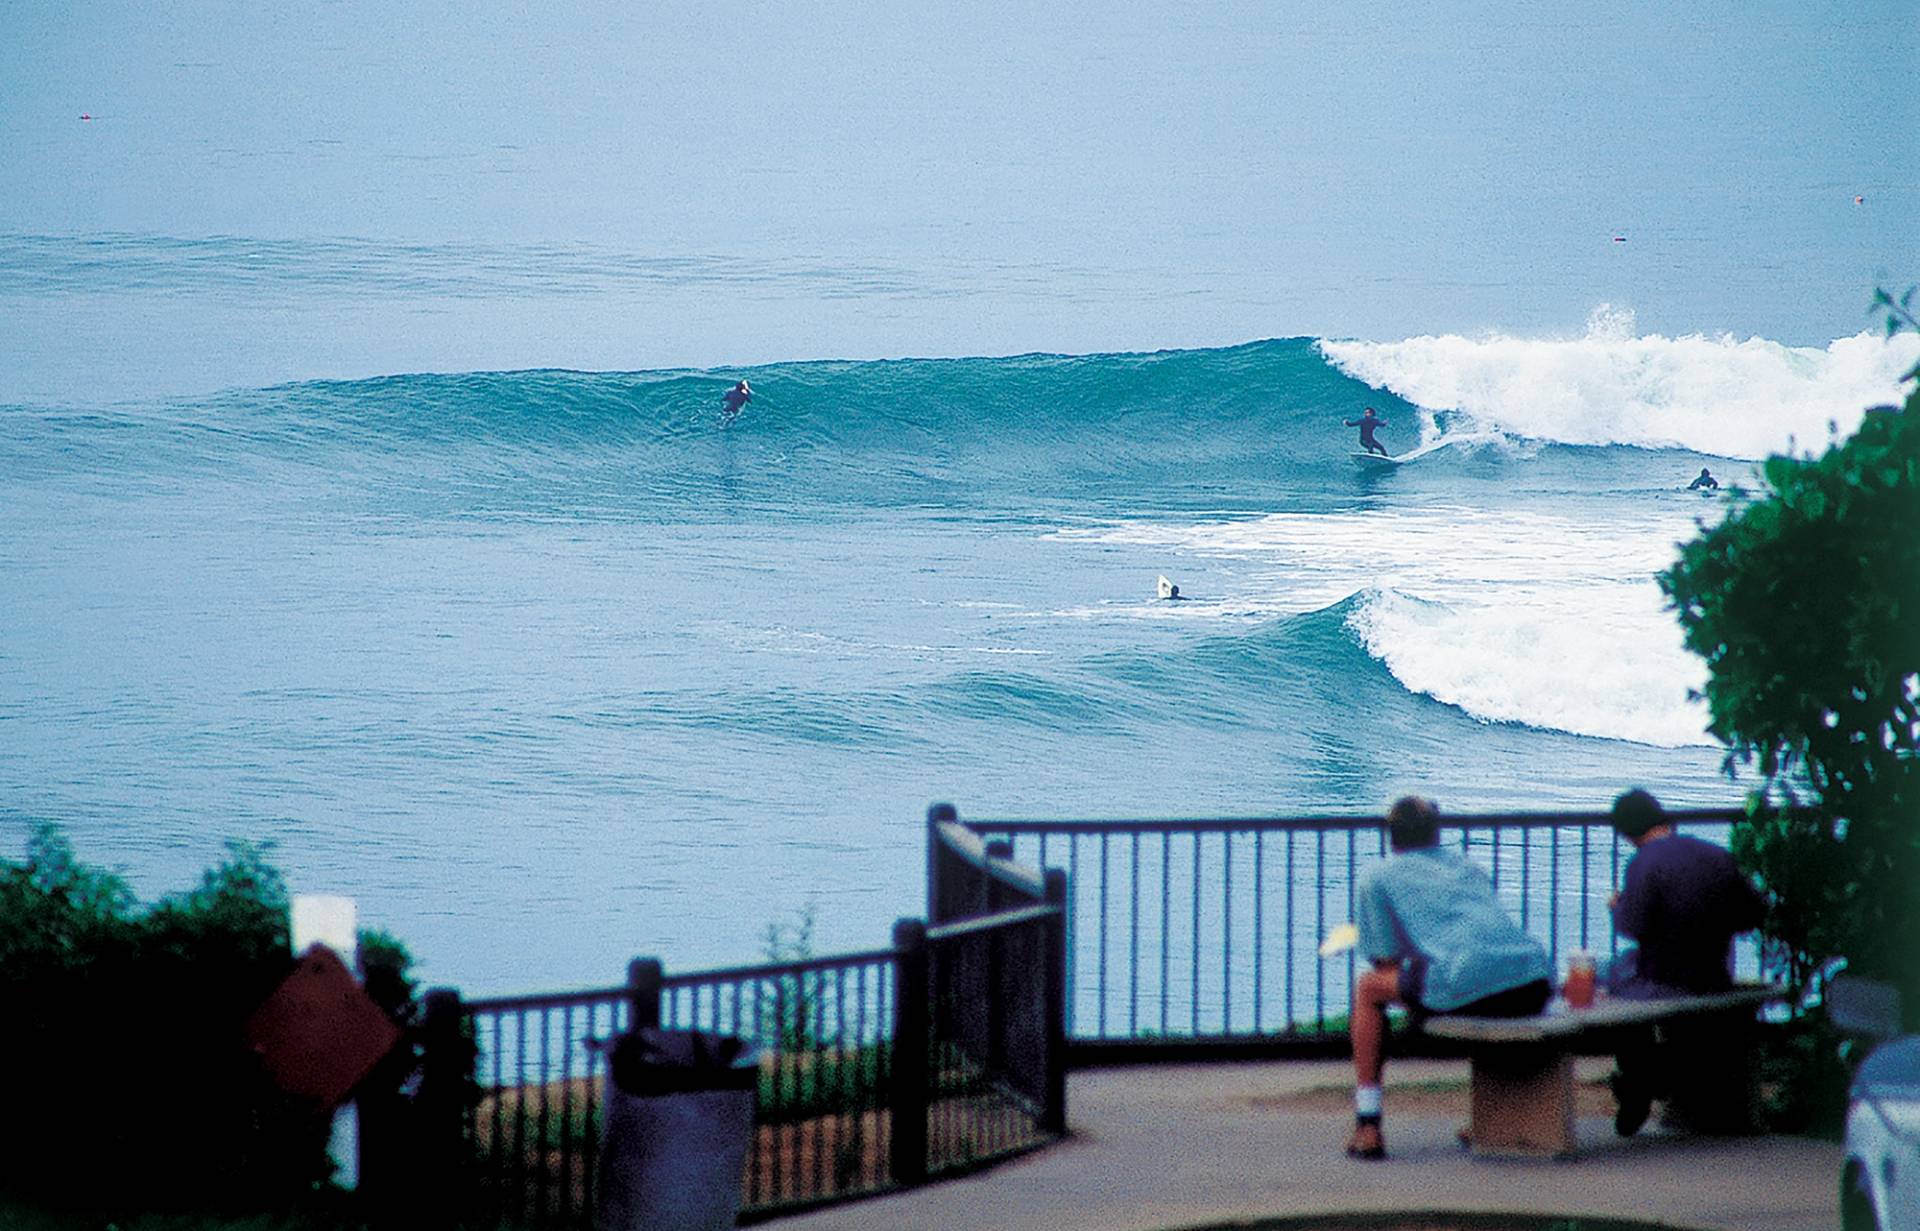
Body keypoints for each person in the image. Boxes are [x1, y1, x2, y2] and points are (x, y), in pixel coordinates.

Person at [1346, 796, 1552, 1159]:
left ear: (1390, 836)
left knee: (1367, 988)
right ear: (1435, 833)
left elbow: (1384, 963)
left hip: (1466, 979)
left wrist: (1413, 994)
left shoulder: (1377, 876)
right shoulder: (1467, 867)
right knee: (1484, 989)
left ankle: (1368, 1124)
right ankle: (1494, 1119)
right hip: (1534, 978)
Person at [1604, 788, 1766, 1136]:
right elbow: (1753, 913)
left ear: (1625, 833)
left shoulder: (1644, 861)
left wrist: (1617, 906)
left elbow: (1632, 928)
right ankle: (1655, 1076)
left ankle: (1639, 1078)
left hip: (1664, 978)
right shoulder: (1716, 854)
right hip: (1713, 975)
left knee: (1611, 982)